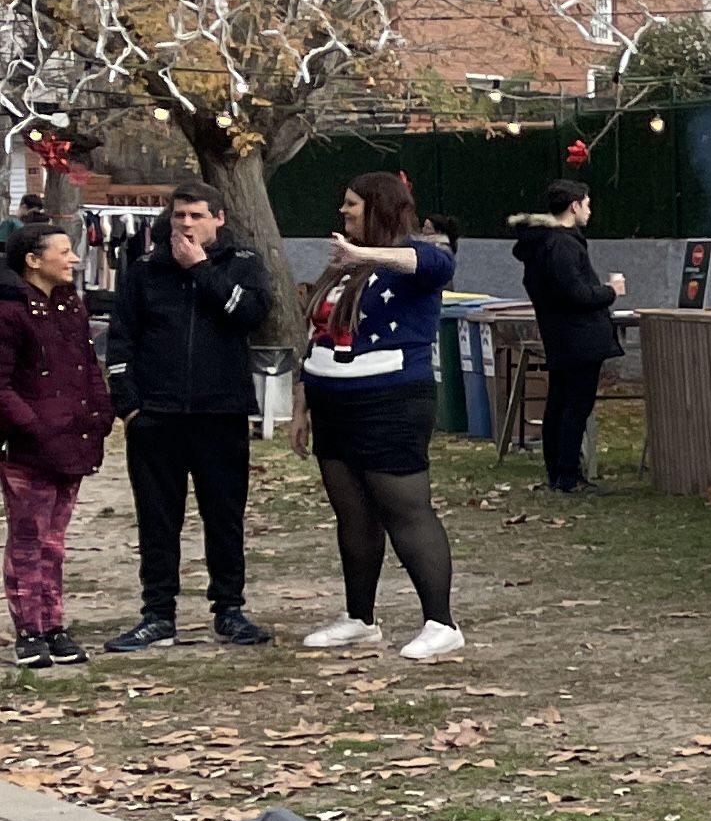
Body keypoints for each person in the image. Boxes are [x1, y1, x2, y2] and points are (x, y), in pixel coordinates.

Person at [299, 170, 464, 661]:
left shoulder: (409, 260)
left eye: (352, 204)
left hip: (389, 400)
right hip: (333, 401)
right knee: (352, 512)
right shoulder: (343, 266)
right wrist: (302, 405)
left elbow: (435, 261)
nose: (343, 212)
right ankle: (359, 618)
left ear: (379, 208)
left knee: (404, 508)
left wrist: (365, 255)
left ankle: (441, 621)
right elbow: (318, 335)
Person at [101, 184, 271, 651]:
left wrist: (201, 270)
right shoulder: (144, 270)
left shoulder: (244, 265)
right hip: (157, 414)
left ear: (218, 219)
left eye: (197, 216)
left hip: (221, 412)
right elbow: (121, 338)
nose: (186, 225)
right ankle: (158, 613)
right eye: (179, 216)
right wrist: (129, 403)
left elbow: (252, 314)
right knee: (158, 519)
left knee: (224, 515)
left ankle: (229, 610)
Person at [0, 217, 112, 667]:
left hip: (74, 440)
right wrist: (34, 427)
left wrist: (101, 413)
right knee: (28, 537)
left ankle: (54, 624)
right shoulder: (9, 311)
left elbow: (86, 366)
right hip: (30, 449)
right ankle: (29, 630)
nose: (73, 258)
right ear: (32, 260)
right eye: (62, 251)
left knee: (56, 541)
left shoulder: (71, 306)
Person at [511, 179, 627, 494]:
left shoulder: (541, 244)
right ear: (574, 205)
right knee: (575, 405)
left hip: (560, 334)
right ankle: (567, 474)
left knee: (561, 403)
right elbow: (574, 293)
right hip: (579, 336)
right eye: (587, 204)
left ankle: (559, 471)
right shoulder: (562, 244)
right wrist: (609, 292)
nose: (589, 210)